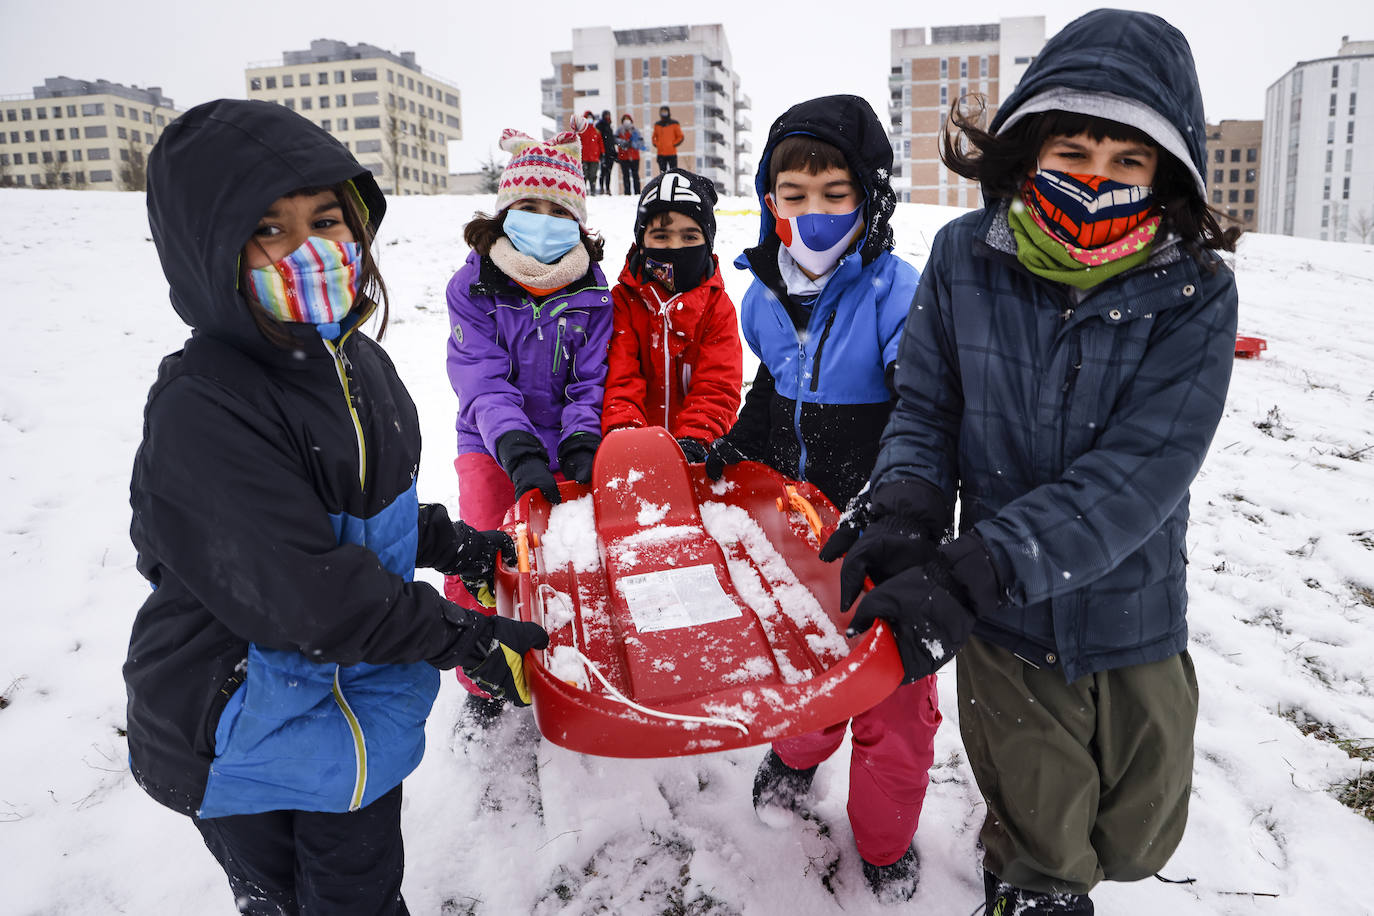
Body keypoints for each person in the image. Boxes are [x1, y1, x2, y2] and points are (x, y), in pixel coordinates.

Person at [837, 10, 1240, 913]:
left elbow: (1147, 467)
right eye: (1074, 152)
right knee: (1042, 833)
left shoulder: (1197, 292)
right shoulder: (960, 256)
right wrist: (905, 507)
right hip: (1004, 621)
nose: (1096, 180)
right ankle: (1025, 885)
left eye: (1126, 161)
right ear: (1028, 149)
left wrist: (980, 565)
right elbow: (928, 408)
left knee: (1137, 834)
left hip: (1131, 605)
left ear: (1166, 173)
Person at [124, 99, 548, 916]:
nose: (311, 249)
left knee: (358, 889)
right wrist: (461, 635)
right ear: (210, 251)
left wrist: (451, 543)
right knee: (290, 900)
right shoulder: (203, 406)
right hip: (242, 726)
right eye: (269, 230)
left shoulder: (356, 364)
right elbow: (303, 591)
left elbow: (358, 515)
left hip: (348, 710)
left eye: (325, 218)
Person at [704, 95, 933, 903]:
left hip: (887, 531)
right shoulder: (762, 293)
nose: (812, 213)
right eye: (792, 194)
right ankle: (797, 758)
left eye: (834, 193)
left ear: (869, 197)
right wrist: (735, 445)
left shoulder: (899, 292)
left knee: (893, 710)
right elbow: (775, 387)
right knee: (803, 667)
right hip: (798, 538)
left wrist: (899, 501)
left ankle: (883, 843)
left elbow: (920, 404)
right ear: (770, 200)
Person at [445, 128, 613, 719]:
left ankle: (562, 659)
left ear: (577, 220)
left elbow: (589, 382)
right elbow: (480, 379)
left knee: (567, 556)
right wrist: (516, 451)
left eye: (557, 210)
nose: (543, 220)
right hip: (493, 444)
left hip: (562, 442)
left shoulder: (594, 292)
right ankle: (483, 681)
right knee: (486, 557)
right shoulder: (473, 286)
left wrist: (582, 442)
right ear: (505, 212)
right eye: (529, 208)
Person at [602, 168, 742, 459]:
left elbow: (718, 387)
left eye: (690, 236)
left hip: (699, 454)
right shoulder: (623, 302)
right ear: (642, 242)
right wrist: (627, 437)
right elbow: (620, 381)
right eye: (661, 236)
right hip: (635, 455)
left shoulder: (717, 307)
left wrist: (695, 440)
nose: (675, 247)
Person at [615, 113, 646, 196]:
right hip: (623, 157)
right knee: (626, 176)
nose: (626, 122)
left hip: (634, 156)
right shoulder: (619, 131)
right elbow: (615, 140)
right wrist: (623, 143)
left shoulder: (635, 131)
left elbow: (641, 143)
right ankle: (627, 193)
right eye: (625, 120)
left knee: (635, 175)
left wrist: (633, 144)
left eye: (628, 119)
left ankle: (637, 192)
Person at [573, 111, 603, 195]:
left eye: (591, 118)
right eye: (588, 118)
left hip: (594, 157)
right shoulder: (581, 131)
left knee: (593, 175)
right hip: (584, 157)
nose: (590, 119)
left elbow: (600, 143)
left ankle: (593, 190)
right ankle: (584, 191)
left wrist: (602, 153)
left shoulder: (596, 131)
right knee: (584, 175)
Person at [651, 105, 684, 172]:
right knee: (662, 174)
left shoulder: (674, 124)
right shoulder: (657, 125)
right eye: (662, 112)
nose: (664, 113)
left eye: (665, 111)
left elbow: (680, 136)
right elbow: (654, 137)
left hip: (672, 153)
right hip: (661, 154)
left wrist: (673, 144)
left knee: (674, 173)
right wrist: (657, 144)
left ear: (668, 112)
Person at [596, 109, 617, 196]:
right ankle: (602, 188)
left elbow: (611, 141)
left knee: (608, 172)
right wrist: (602, 152)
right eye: (606, 115)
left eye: (609, 115)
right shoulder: (600, 125)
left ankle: (607, 188)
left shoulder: (609, 126)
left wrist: (614, 153)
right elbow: (600, 140)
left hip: (610, 153)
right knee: (603, 172)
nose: (608, 117)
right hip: (603, 152)